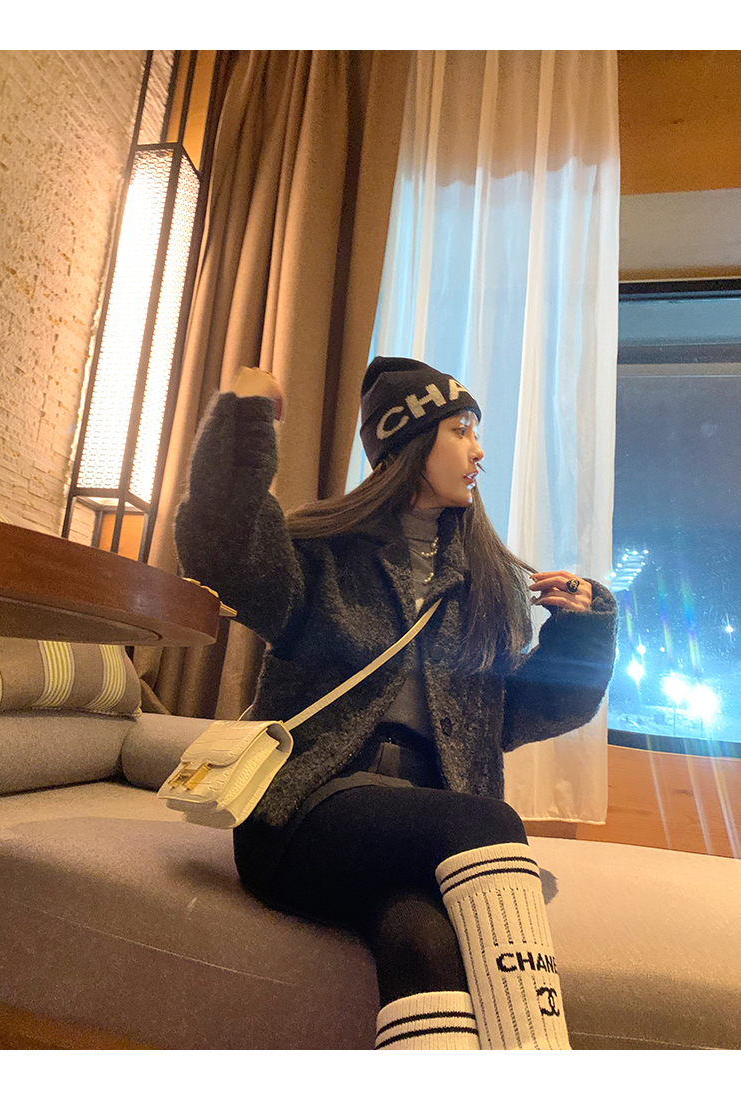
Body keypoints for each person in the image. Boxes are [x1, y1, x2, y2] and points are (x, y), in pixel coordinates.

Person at [174, 355, 618, 1051]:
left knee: (421, 941)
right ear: (407, 443)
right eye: (460, 431)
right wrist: (245, 415)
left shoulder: (486, 583)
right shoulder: (321, 554)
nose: (478, 451)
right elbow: (221, 547)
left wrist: (582, 632)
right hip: (305, 814)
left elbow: (522, 715)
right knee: (488, 821)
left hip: (418, 827)